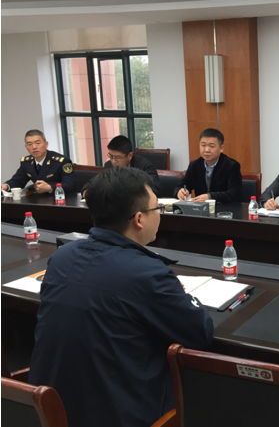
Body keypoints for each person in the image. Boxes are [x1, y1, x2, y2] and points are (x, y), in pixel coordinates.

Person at [28, 167, 214, 427]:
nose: (159, 214)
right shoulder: (147, 273)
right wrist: (181, 294)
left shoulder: (62, 257)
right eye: (157, 208)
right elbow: (200, 333)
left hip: (50, 412)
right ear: (139, 219)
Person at [175, 128, 242, 203]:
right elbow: (183, 184)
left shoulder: (231, 166)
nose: (206, 150)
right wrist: (180, 191)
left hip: (224, 208)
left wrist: (209, 196)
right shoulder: (194, 165)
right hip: (200, 208)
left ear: (221, 148)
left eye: (211, 146)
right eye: (203, 145)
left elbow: (235, 193)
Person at [2, 129, 75, 194]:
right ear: (26, 147)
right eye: (29, 144)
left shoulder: (61, 161)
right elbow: (18, 180)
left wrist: (50, 187)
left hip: (60, 199)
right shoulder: (26, 162)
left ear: (46, 144)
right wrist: (6, 186)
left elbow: (70, 185)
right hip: (38, 200)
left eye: (37, 143)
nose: (34, 147)